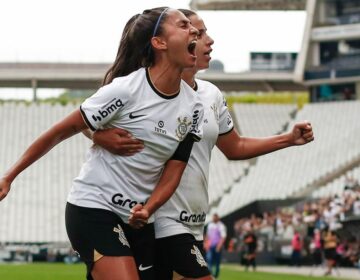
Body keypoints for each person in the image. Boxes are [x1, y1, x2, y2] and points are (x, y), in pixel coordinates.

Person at [91, 9, 315, 280]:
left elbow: (235, 147)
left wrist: (288, 139)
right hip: (162, 220)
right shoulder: (143, 91)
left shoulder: (210, 94)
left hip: (194, 223)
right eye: (198, 32)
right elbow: (86, 120)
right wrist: (97, 135)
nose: (208, 40)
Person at [0, 7, 203, 280]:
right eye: (183, 25)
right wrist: (9, 176)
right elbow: (60, 131)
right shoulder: (125, 90)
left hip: (139, 218)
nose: (194, 31)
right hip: (93, 207)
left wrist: (149, 208)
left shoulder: (194, 106)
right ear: (159, 42)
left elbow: (174, 169)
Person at [205, 213, 227, 279]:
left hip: (217, 246)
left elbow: (223, 237)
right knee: (209, 260)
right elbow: (207, 236)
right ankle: (210, 274)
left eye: (215, 217)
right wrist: (206, 244)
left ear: (218, 218)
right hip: (210, 246)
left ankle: (216, 275)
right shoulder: (210, 225)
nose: (213, 218)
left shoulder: (221, 225)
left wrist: (219, 246)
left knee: (217, 262)